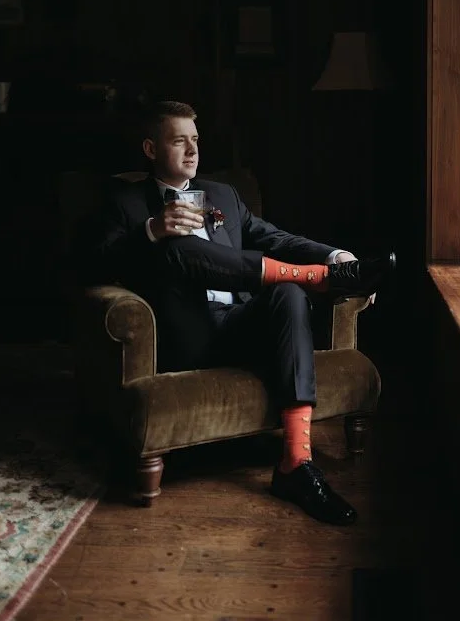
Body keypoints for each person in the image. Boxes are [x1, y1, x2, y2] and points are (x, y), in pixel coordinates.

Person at [86, 100, 395, 525]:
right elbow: (91, 266)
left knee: (287, 292)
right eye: (179, 140)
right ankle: (319, 279)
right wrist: (152, 231)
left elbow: (276, 237)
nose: (192, 150)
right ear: (150, 148)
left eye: (195, 139)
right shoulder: (124, 203)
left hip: (239, 328)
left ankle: (296, 464)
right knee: (176, 247)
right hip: (186, 336)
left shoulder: (223, 197)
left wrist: (334, 254)